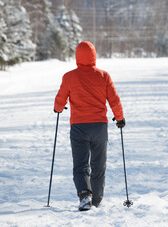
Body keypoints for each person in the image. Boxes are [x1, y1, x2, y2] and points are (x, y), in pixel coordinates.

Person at [54, 41, 125, 211]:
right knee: (99, 164)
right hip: (99, 126)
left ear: (77, 56)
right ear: (94, 56)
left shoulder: (69, 77)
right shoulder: (104, 76)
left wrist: (58, 108)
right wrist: (120, 118)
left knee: (80, 165)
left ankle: (85, 194)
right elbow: (114, 99)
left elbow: (60, 100)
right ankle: (96, 200)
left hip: (78, 126)